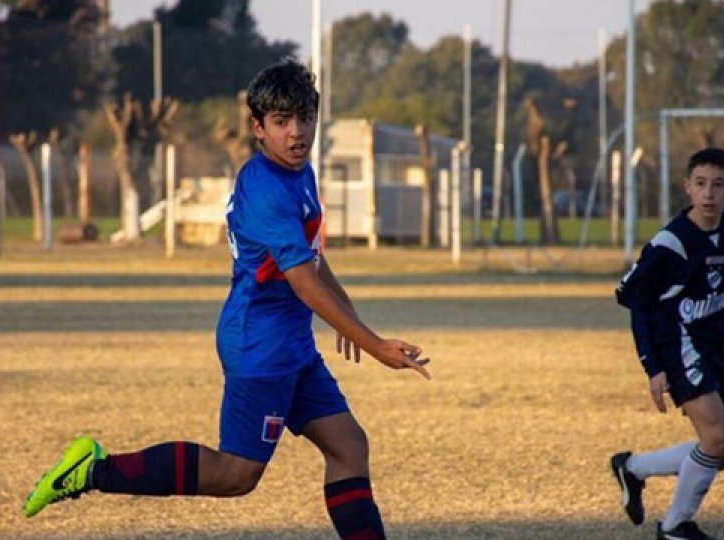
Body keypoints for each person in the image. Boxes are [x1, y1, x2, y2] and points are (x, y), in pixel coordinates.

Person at [22, 59, 430, 539]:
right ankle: (94, 469)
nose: (297, 133)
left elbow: (313, 258)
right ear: (258, 128)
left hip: (292, 344)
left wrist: (350, 320)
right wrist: (374, 344)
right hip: (261, 349)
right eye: (281, 122)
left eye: (305, 118)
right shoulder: (265, 192)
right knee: (236, 475)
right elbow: (303, 282)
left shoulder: (300, 173)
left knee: (348, 446)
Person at [610, 147, 724, 540]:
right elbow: (634, 299)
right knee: (715, 440)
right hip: (678, 345)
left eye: (718, 185)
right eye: (701, 184)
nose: (709, 194)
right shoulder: (671, 242)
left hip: (714, 346)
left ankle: (633, 468)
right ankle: (674, 527)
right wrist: (652, 366)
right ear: (687, 187)